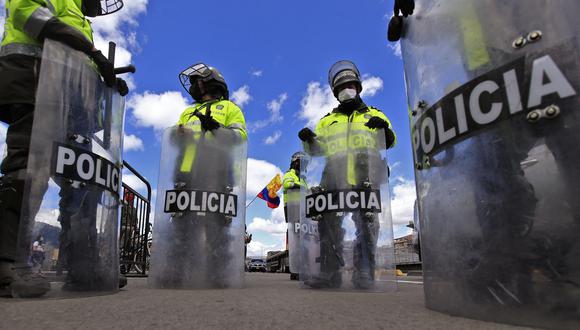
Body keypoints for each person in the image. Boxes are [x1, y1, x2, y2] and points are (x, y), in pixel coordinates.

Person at [0, 0, 128, 298]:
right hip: (34, 78)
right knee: (30, 167)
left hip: (70, 98)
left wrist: (105, 79)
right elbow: (28, 14)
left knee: (82, 179)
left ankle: (83, 265)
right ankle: (7, 262)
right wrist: (94, 53)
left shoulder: (78, 14)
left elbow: (77, 59)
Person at [298, 60, 396, 289]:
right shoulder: (327, 121)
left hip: (365, 175)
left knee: (367, 225)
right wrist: (308, 140)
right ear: (335, 93)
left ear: (358, 86)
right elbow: (316, 151)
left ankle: (364, 271)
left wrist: (384, 129)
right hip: (332, 178)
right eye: (341, 88)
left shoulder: (374, 114)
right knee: (329, 226)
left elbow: (389, 142)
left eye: (349, 85)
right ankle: (329, 273)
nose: (346, 90)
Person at [169, 62, 247, 287]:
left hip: (218, 173)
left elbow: (239, 138)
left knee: (216, 226)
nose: (196, 85)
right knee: (182, 225)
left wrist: (217, 128)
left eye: (198, 81)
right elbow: (174, 140)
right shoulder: (187, 111)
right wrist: (178, 134)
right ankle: (177, 272)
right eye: (194, 83)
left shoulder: (230, 108)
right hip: (186, 172)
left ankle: (217, 274)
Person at [283, 152, 308, 280]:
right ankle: (296, 270)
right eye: (303, 162)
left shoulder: (303, 178)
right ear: (296, 162)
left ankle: (302, 268)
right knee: (296, 240)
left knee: (304, 239)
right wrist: (300, 186)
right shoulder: (289, 174)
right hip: (293, 210)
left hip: (303, 210)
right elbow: (287, 184)